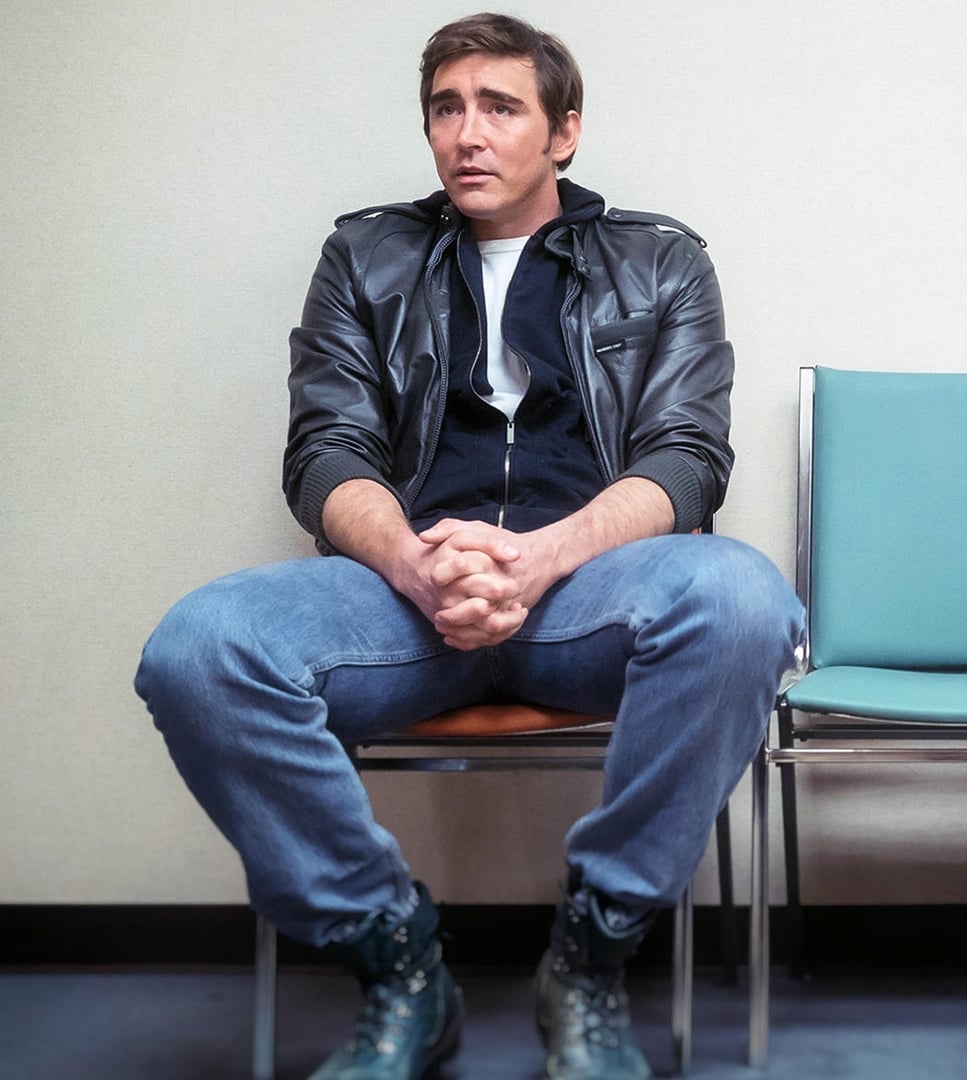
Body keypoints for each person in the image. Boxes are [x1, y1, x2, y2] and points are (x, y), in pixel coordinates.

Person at [135, 13, 803, 1080]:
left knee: (744, 602)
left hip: (589, 594)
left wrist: (542, 557)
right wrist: (412, 563)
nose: (467, 133)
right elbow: (325, 451)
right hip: (408, 600)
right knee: (198, 649)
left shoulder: (661, 260)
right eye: (446, 108)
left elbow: (685, 460)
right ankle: (395, 958)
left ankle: (591, 953)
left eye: (499, 107)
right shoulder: (365, 257)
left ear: (564, 131)